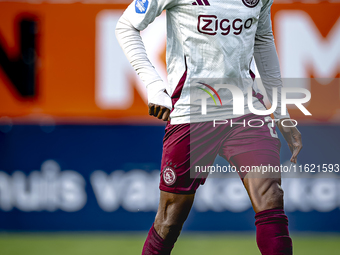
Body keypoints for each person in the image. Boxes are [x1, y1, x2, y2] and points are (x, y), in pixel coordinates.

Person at [115, 0, 303, 253]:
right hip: (192, 113)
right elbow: (126, 26)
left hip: (246, 110)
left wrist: (281, 112)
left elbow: (263, 40)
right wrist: (154, 85)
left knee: (271, 196)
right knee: (170, 220)